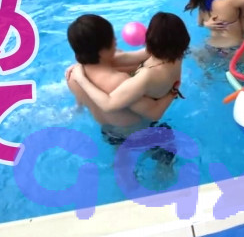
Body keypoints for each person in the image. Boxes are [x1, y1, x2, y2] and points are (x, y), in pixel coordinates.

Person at [65, 15, 176, 146]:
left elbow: (81, 103)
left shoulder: (72, 76)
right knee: (168, 153)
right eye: (112, 38)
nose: (116, 40)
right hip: (141, 134)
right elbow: (153, 112)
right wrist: (173, 90)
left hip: (109, 133)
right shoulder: (119, 81)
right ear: (102, 50)